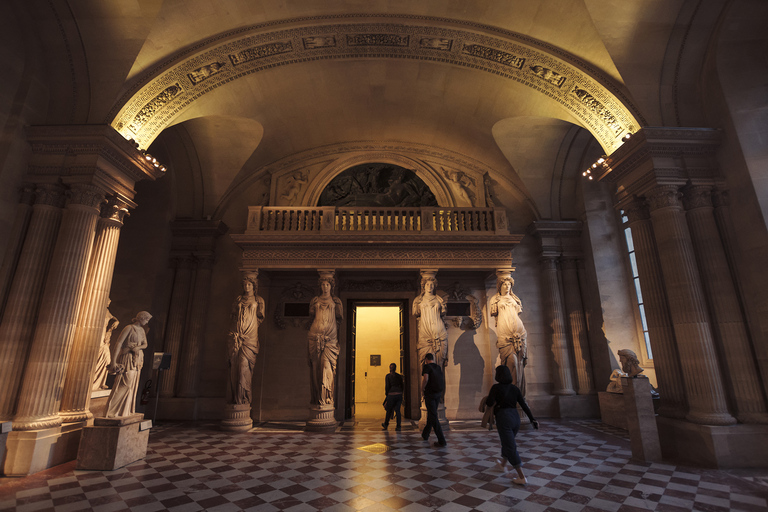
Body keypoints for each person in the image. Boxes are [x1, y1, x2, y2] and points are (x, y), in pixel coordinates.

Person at [485, 365, 539, 485]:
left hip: (504, 418)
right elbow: (524, 405)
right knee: (507, 441)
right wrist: (532, 420)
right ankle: (503, 464)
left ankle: (521, 477)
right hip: (516, 418)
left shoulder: (496, 388)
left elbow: (489, 403)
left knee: (510, 446)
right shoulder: (515, 388)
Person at [227, 272, 265, 405]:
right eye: (245, 284)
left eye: (249, 284)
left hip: (250, 337)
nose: (247, 287)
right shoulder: (238, 299)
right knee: (235, 368)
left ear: (254, 286)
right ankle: (236, 400)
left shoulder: (259, 300)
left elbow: (260, 318)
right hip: (237, 336)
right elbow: (233, 317)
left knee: (244, 367)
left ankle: (243, 399)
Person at [105, 311, 151, 418]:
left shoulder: (142, 330)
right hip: (127, 358)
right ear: (141, 318)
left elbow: (145, 344)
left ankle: (124, 411)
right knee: (124, 383)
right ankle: (111, 411)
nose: (147, 322)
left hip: (137, 358)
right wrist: (113, 361)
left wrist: (138, 348)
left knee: (132, 385)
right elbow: (119, 343)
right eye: (146, 319)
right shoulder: (129, 328)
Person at [490, 276, 528, 395]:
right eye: (504, 284)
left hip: (520, 333)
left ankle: (517, 395)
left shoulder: (514, 298)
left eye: (509, 285)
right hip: (505, 335)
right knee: (512, 363)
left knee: (519, 364)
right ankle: (511, 393)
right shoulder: (495, 299)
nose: (507, 287)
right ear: (500, 286)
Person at [308, 274, 343, 405]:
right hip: (314, 337)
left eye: (327, 284)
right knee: (316, 369)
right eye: (322, 284)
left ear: (331, 286)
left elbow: (338, 320)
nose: (325, 287)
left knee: (326, 368)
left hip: (330, 341)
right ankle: (318, 399)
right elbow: (311, 318)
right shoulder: (315, 301)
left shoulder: (336, 302)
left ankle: (326, 398)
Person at [413, 276, 448, 369]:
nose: (430, 286)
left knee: (439, 363)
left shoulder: (439, 300)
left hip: (439, 331)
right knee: (425, 363)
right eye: (427, 284)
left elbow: (443, 313)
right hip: (425, 332)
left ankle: (439, 382)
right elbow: (416, 312)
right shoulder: (418, 300)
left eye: (432, 284)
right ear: (423, 286)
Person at [92, 299, 119, 391]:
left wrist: (116, 321)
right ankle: (93, 381)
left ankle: (100, 382)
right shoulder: (97, 309)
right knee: (99, 355)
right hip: (97, 334)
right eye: (108, 300)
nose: (110, 301)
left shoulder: (107, 311)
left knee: (106, 356)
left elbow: (113, 318)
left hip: (104, 335)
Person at [421, 353, 446, 447]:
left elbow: (426, 379)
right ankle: (425, 434)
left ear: (426, 359)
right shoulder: (438, 367)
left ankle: (442, 440)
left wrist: (422, 389)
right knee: (432, 414)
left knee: (433, 416)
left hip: (430, 394)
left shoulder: (426, 367)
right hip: (438, 393)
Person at [382, 363, 404, 430]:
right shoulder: (399, 376)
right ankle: (398, 426)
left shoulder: (388, 376)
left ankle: (386, 424)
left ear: (390, 368)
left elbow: (387, 386)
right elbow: (402, 385)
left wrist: (387, 395)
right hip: (399, 394)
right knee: (398, 411)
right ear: (396, 368)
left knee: (389, 410)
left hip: (391, 394)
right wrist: (401, 393)